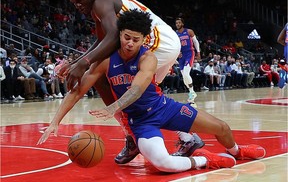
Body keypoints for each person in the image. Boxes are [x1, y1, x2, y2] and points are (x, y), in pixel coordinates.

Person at [38, 10, 266, 173]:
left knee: (222, 128)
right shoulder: (107, 60)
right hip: (140, 122)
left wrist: (115, 107)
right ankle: (204, 160)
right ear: (119, 35)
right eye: (126, 37)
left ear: (144, 40)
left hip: (163, 108)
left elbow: (137, 88)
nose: (129, 43)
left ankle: (237, 152)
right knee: (162, 163)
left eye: (135, 40)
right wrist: (55, 121)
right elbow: (77, 91)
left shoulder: (148, 58)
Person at [59, 0, 203, 163]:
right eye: (73, 3)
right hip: (165, 42)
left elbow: (112, 38)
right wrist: (76, 62)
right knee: (147, 98)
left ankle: (132, 136)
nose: (78, 5)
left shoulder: (100, 2)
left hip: (156, 44)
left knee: (108, 82)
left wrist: (83, 64)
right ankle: (186, 136)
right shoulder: (101, 3)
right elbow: (103, 41)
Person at [175, 18, 200, 104]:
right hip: (181, 56)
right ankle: (191, 92)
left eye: (179, 23)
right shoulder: (175, 34)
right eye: (176, 23)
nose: (177, 24)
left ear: (182, 23)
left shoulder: (189, 31)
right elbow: (176, 45)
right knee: (184, 77)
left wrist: (198, 52)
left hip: (189, 53)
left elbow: (196, 42)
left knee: (186, 73)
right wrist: (177, 53)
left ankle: (192, 92)